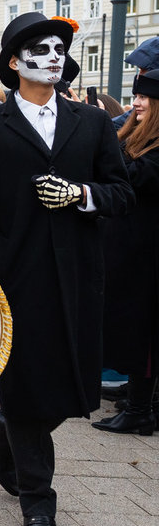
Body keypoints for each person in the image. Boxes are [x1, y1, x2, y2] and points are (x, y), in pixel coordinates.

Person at [0, 12, 133, 526]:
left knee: (77, 390)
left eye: (60, 48)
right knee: (31, 388)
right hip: (17, 280)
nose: (54, 56)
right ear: (14, 63)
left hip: (81, 276)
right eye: (40, 48)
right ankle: (39, 505)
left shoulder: (92, 123)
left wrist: (81, 195)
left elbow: (121, 193)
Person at [93, 69, 159, 436]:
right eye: (135, 97)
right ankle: (141, 405)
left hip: (147, 256)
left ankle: (140, 410)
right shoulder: (133, 137)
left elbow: (132, 178)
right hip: (128, 251)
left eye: (145, 98)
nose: (136, 104)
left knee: (145, 334)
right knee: (135, 330)